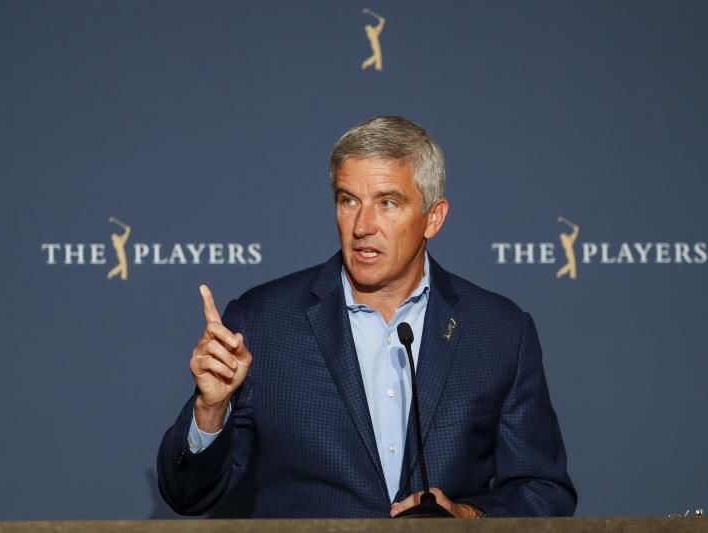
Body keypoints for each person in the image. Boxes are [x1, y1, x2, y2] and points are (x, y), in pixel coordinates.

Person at [157, 116, 576, 518]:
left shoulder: (500, 331)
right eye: (348, 201)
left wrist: (466, 517)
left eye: (387, 203)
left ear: (433, 217)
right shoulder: (263, 322)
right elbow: (187, 496)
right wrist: (210, 410)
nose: (362, 226)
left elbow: (544, 491)